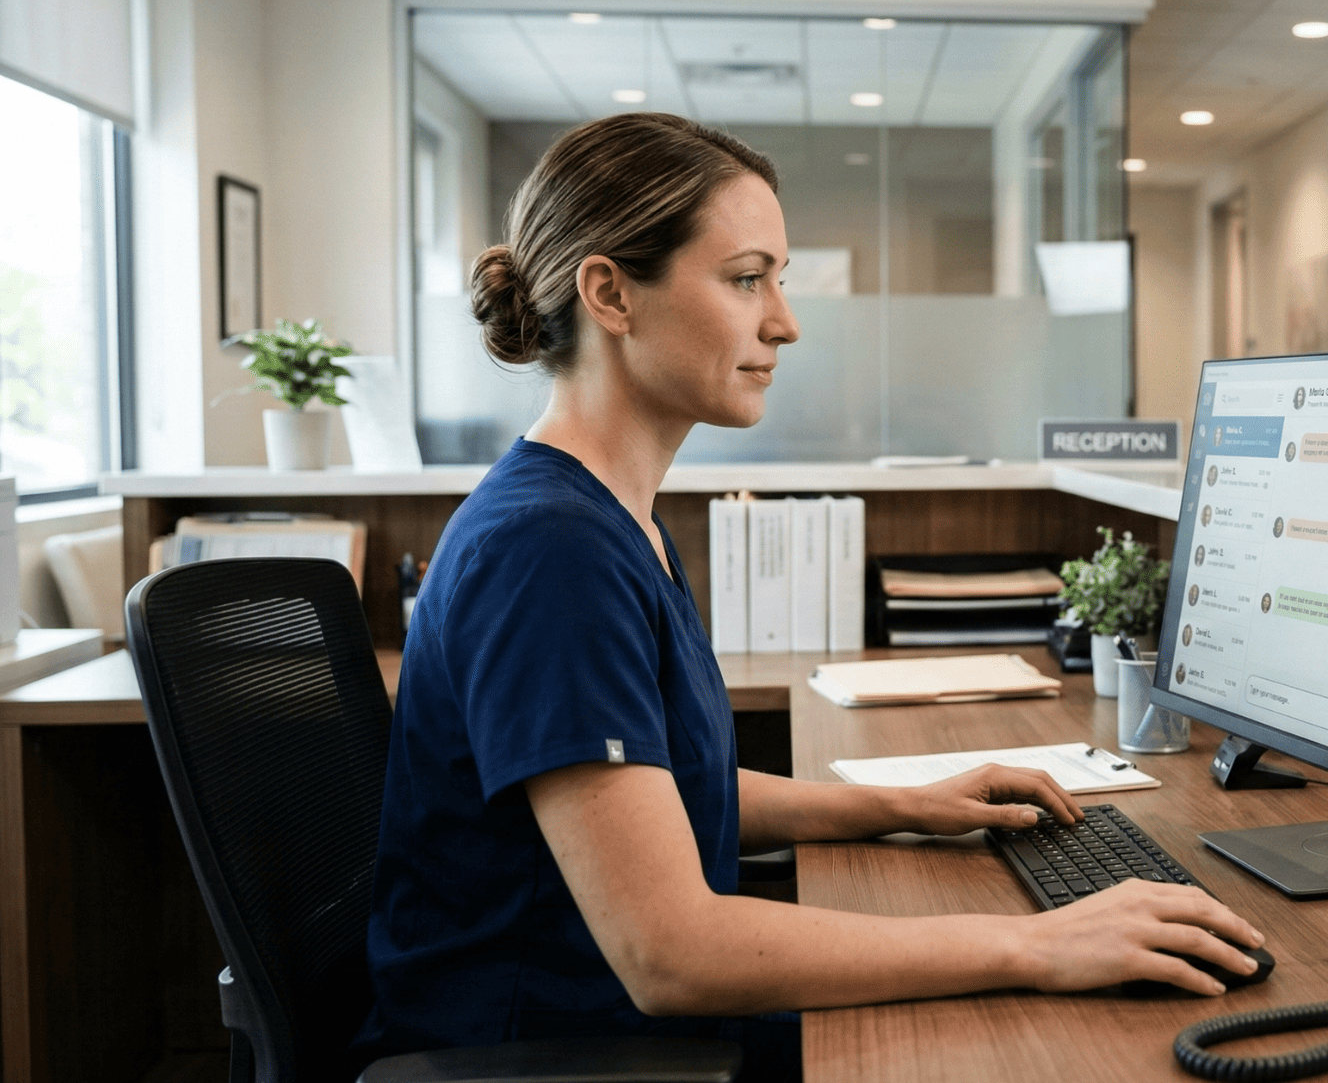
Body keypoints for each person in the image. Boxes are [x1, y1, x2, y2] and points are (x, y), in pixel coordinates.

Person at [353, 113, 1264, 1079]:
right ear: (611, 292)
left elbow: (664, 798)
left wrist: (895, 803)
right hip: (555, 1044)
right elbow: (672, 952)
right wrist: (1037, 945)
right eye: (748, 278)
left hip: (607, 1018)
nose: (783, 320)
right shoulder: (550, 552)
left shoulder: (613, 519)